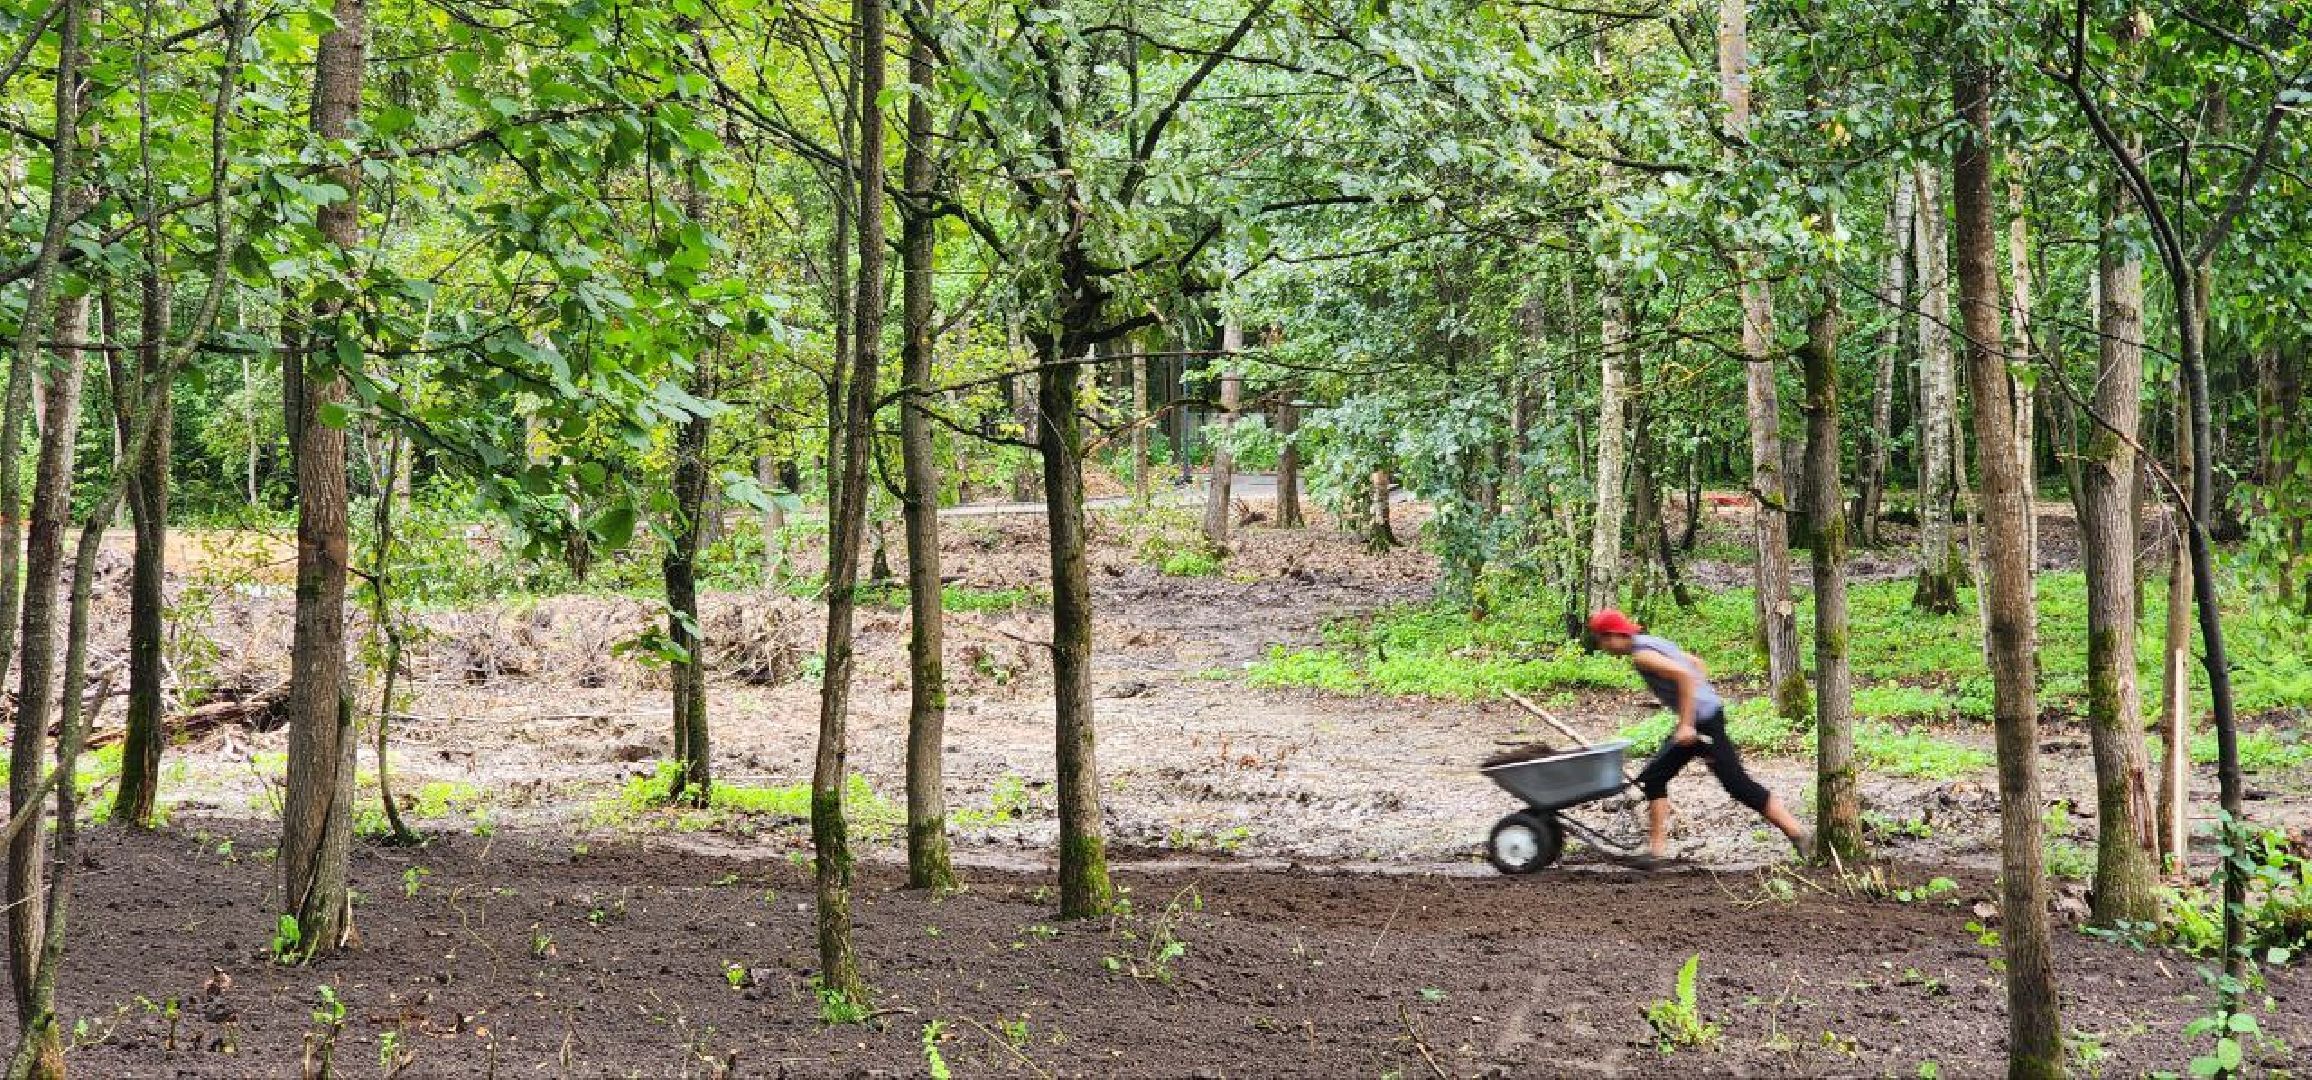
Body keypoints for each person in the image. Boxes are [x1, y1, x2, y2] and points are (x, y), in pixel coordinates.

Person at [1586, 608, 1810, 864]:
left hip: (1702, 724)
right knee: (1655, 776)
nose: (1602, 646)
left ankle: (1798, 833)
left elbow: (1683, 674)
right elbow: (1694, 662)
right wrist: (1701, 700)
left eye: (1602, 639)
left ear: (1615, 635)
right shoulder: (1651, 642)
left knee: (1737, 784)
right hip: (1701, 719)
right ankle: (1656, 851)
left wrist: (1687, 723)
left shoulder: (1643, 656)